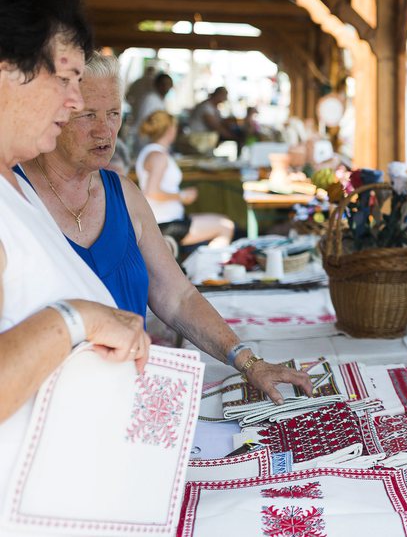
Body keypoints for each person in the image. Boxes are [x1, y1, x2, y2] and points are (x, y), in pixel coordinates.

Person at [19, 53, 311, 401]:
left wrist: (248, 362)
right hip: (37, 412)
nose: (105, 130)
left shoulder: (123, 194)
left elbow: (178, 296)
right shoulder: (14, 197)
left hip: (124, 399)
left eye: (114, 114)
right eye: (87, 115)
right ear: (53, 113)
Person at [0, 0, 149, 505]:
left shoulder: (13, 186)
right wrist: (77, 318)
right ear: (6, 72)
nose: (71, 103)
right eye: (64, 80)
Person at [136, 110, 234, 248]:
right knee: (226, 226)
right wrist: (182, 196)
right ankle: (209, 267)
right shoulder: (158, 156)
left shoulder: (148, 152)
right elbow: (151, 192)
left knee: (223, 222)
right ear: (170, 129)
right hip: (166, 224)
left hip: (165, 220)